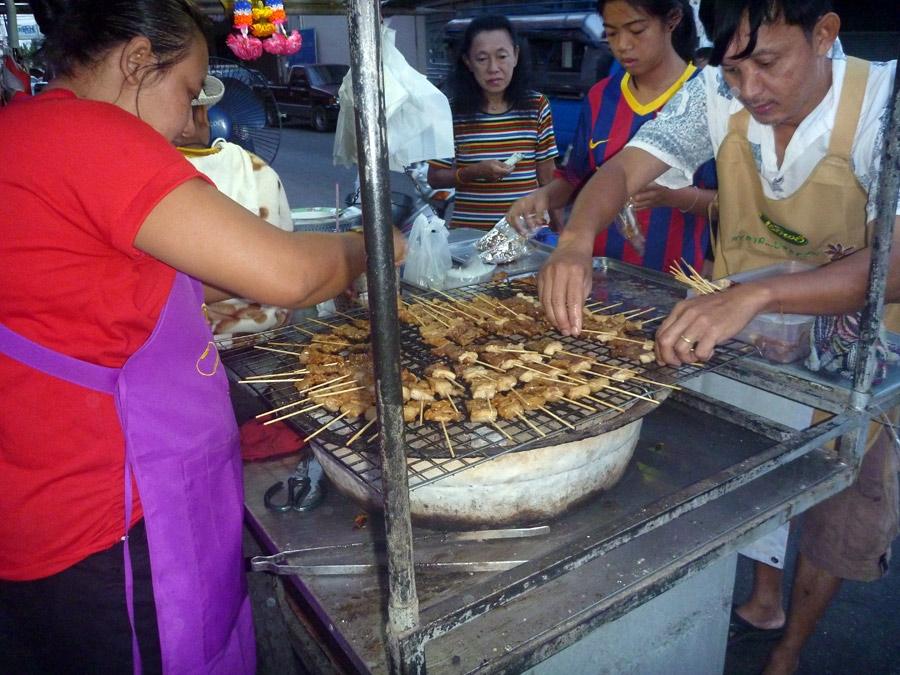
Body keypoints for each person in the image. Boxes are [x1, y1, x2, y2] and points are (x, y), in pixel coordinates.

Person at [0, 1, 404, 673]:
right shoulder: (92, 135)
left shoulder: (22, 135)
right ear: (135, 61)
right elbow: (288, 274)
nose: (196, 118)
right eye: (187, 91)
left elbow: (126, 288)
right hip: (113, 526)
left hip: (41, 513)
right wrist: (369, 247)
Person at [531, 1, 899, 673]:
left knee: (836, 515)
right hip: (743, 338)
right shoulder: (712, 97)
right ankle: (755, 603)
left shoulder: (885, 103)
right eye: (733, 69)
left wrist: (759, 291)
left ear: (826, 34)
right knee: (740, 484)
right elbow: (618, 171)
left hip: (858, 357)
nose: (749, 91)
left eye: (768, 63)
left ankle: (788, 652)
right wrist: (577, 239)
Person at [507, 0, 717, 273]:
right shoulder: (601, 96)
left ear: (672, 20)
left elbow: (734, 206)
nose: (623, 45)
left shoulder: (708, 99)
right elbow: (575, 180)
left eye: (637, 30)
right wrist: (542, 198)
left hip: (676, 282)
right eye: (612, 33)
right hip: (599, 277)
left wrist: (674, 196)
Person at [177, 74, 296, 340]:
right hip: (267, 329)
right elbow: (287, 251)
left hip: (192, 340)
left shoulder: (149, 177)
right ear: (203, 117)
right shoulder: (257, 169)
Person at [427, 15, 560, 230]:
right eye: (481, 59)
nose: (493, 68)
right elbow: (435, 178)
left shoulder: (537, 105)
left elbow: (547, 178)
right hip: (469, 237)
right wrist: (473, 172)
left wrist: (560, 232)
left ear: (515, 56)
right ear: (468, 62)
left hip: (527, 234)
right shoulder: (450, 112)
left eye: (501, 56)